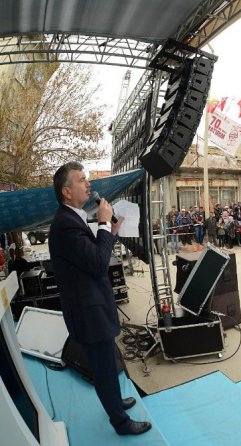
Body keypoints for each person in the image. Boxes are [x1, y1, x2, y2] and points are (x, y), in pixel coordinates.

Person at [48, 162, 151, 436]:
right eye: (82, 180)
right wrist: (104, 222)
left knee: (107, 364)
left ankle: (116, 403)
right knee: (105, 369)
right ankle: (120, 422)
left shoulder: (74, 217)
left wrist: (111, 232)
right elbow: (97, 263)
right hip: (88, 312)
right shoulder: (65, 224)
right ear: (67, 192)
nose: (88, 184)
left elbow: (93, 253)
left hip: (93, 308)